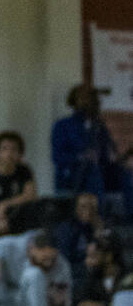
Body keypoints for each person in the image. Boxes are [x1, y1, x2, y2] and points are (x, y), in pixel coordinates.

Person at [52, 85, 133, 216]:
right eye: (84, 98)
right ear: (74, 102)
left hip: (101, 174)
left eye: (92, 98)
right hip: (74, 175)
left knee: (125, 173)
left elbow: (110, 154)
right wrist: (81, 157)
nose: (89, 102)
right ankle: (98, 221)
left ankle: (129, 222)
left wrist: (121, 159)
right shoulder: (63, 125)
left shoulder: (99, 126)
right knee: (92, 171)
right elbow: (57, 157)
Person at [56, 191, 104, 272]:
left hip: (92, 268)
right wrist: (84, 259)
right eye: (83, 206)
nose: (88, 211)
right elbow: (64, 256)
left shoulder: (95, 225)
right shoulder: (67, 228)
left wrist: (98, 233)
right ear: (75, 208)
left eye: (92, 207)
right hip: (71, 269)